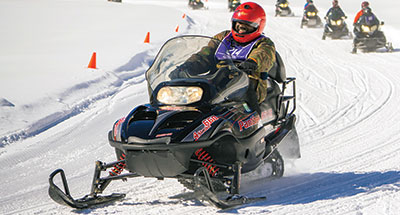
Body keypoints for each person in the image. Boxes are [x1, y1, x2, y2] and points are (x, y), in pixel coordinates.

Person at [170, 2, 276, 111]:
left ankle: (255, 120)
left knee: (245, 91)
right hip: (217, 78)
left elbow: (264, 54)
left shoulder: (263, 42)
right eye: (238, 25)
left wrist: (252, 62)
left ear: (258, 26)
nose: (240, 30)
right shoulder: (223, 37)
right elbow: (205, 54)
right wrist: (187, 66)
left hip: (248, 81)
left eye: (246, 27)